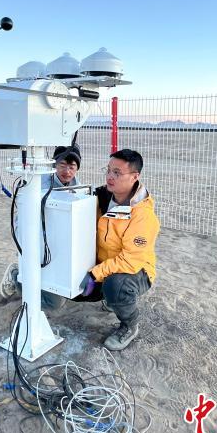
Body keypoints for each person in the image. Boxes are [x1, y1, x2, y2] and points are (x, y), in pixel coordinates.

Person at [78, 149, 160, 351]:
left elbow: (130, 260)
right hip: (104, 264)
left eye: (117, 172)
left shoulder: (142, 216)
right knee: (74, 289)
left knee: (116, 286)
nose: (109, 176)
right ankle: (109, 297)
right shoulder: (103, 198)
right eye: (108, 170)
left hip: (136, 270)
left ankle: (130, 325)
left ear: (134, 176)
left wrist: (95, 274)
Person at [0, 144, 81, 299]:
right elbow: (24, 217)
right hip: (32, 227)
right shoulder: (40, 183)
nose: (67, 171)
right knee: (36, 268)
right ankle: (15, 275)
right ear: (54, 165)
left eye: (72, 167)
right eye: (62, 165)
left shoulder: (77, 185)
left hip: (54, 229)